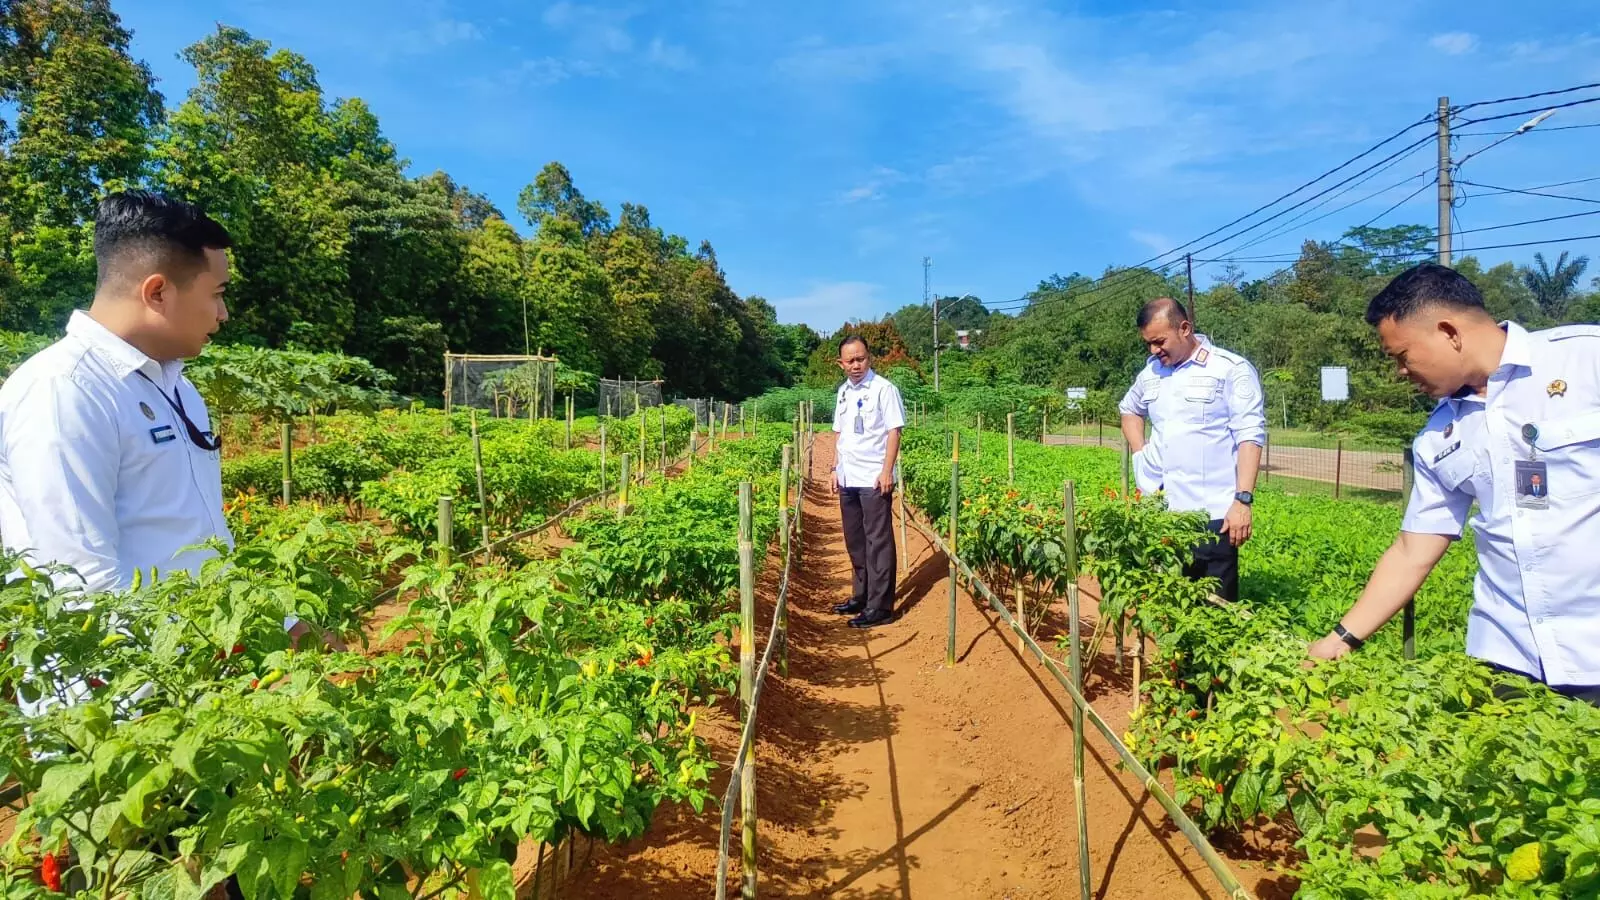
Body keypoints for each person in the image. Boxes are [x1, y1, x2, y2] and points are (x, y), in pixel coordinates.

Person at [1309, 263, 1600, 706]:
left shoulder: (1585, 361)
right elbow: (1413, 550)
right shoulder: (1439, 435)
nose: (1400, 371)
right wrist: (1341, 639)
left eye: (1402, 356)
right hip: (1506, 657)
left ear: (1448, 332)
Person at [1118, 298, 1266, 601]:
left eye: (1159, 341)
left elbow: (1249, 436)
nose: (1154, 350)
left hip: (1212, 515)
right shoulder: (1151, 373)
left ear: (1184, 328)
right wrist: (1141, 453)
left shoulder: (1229, 369)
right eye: (1148, 343)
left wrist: (1243, 501)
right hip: (1163, 512)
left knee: (1215, 609)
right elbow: (1129, 409)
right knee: (1167, 602)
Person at [829, 336, 906, 629]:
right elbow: (839, 433)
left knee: (878, 542)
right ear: (841, 364)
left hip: (874, 477)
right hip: (848, 476)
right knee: (855, 540)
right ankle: (861, 596)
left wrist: (887, 471)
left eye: (860, 359)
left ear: (869, 358)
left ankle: (880, 607)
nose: (856, 365)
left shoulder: (884, 389)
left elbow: (894, 431)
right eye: (850, 360)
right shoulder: (843, 392)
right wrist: (835, 468)